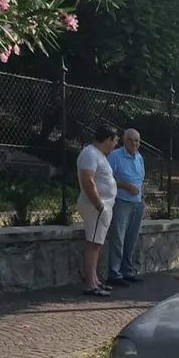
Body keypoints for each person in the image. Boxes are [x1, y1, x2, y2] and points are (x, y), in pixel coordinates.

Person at [76, 126, 119, 297]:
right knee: (94, 243)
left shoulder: (98, 155)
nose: (116, 144)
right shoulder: (89, 153)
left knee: (97, 243)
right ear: (108, 139)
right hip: (96, 206)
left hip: (102, 206)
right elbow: (88, 180)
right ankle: (91, 284)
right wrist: (99, 205)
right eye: (115, 140)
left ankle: (95, 279)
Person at [105, 128, 145, 287]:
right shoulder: (115, 156)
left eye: (137, 140)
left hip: (137, 202)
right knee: (118, 238)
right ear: (124, 140)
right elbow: (106, 179)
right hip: (121, 202)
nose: (134, 143)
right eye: (131, 140)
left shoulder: (139, 157)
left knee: (131, 238)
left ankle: (127, 271)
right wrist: (125, 186)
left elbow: (141, 179)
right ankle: (114, 274)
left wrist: (142, 198)